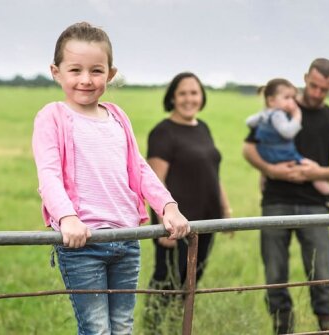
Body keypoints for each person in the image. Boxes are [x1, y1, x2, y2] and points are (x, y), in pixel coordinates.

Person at [31, 22, 190, 335]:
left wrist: (168, 206)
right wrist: (67, 218)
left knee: (122, 327)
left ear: (111, 74)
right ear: (56, 71)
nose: (86, 80)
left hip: (127, 240)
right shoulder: (53, 116)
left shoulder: (117, 116)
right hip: (83, 242)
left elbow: (140, 168)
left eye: (96, 71)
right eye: (75, 70)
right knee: (96, 329)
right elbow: (48, 174)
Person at [242, 58, 329, 334]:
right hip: (275, 201)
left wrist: (316, 173)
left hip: (315, 206)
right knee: (274, 275)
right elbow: (248, 149)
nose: (317, 93)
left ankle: (328, 328)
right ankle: (283, 329)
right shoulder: (279, 109)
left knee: (322, 275)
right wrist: (270, 169)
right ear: (305, 78)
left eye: (325, 89)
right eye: (313, 85)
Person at [142, 72, 232, 334]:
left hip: (206, 221)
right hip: (176, 224)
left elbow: (213, 174)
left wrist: (226, 212)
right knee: (165, 281)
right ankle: (153, 328)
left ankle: (176, 326)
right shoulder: (162, 132)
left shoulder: (202, 128)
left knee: (191, 280)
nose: (189, 99)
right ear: (172, 97)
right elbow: (156, 181)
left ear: (202, 96)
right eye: (182, 93)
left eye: (194, 92)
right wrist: (164, 221)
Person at [245, 78, 329, 207]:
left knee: (267, 173)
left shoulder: (264, 114)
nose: (292, 101)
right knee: (309, 165)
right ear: (271, 100)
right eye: (287, 98)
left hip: (267, 154)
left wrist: (268, 169)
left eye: (293, 97)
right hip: (284, 155)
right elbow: (287, 132)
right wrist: (297, 116)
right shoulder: (279, 115)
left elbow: (249, 122)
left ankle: (264, 187)